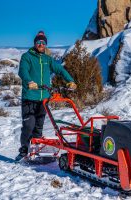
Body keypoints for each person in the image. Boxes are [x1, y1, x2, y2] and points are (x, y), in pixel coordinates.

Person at [16, 31, 77, 161]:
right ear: (34, 43)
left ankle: (36, 151)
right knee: (28, 126)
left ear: (46, 45)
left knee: (38, 126)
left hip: (44, 98)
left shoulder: (47, 59)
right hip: (30, 97)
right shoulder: (27, 57)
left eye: (43, 42)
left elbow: (60, 69)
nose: (40, 44)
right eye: (38, 42)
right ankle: (23, 151)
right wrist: (29, 82)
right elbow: (23, 71)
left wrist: (70, 80)